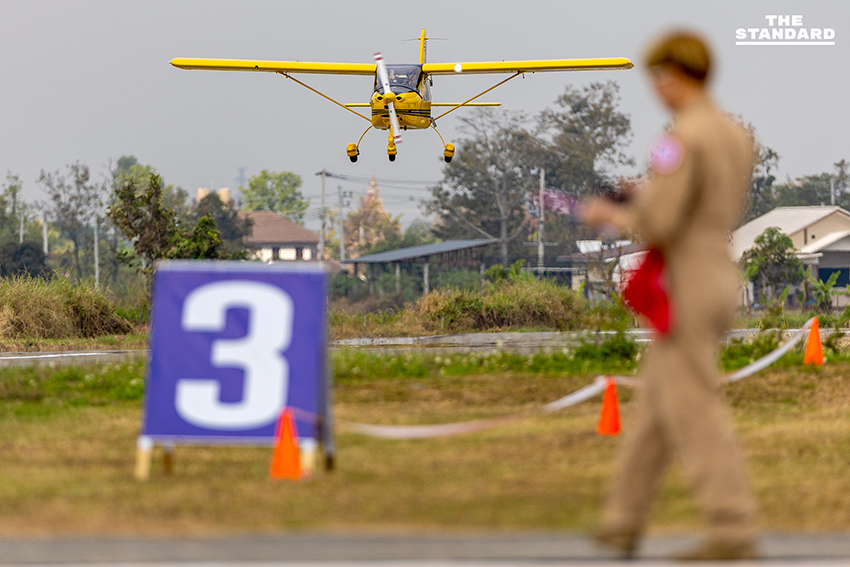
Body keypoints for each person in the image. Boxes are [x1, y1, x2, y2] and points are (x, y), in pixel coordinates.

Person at [580, 30, 757, 561]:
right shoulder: (731, 132)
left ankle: (730, 523)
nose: (656, 89)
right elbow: (699, 199)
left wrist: (611, 212)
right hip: (716, 270)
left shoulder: (680, 137)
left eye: (659, 77)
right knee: (659, 403)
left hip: (685, 279)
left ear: (676, 76)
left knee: (692, 406)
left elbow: (659, 221)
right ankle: (623, 519)